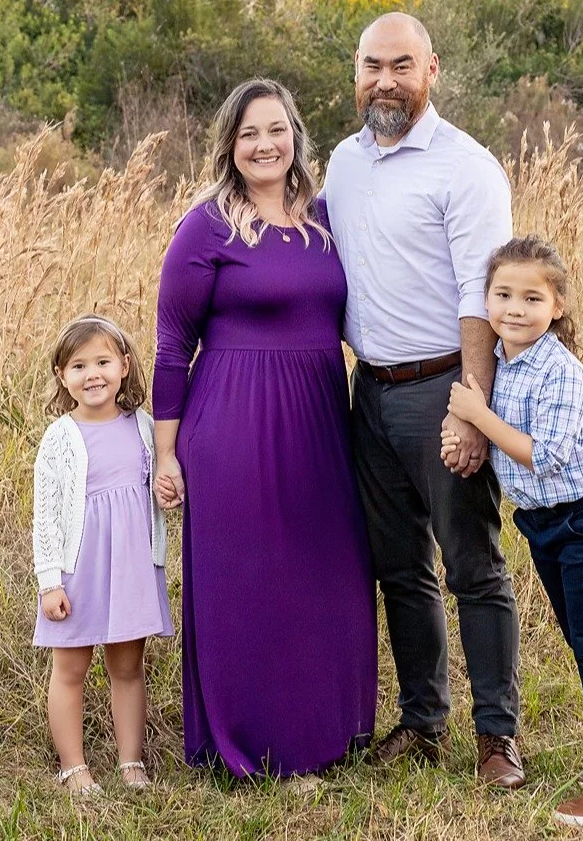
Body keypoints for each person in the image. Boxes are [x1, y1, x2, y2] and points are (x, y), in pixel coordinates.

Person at [151, 78, 377, 778]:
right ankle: (245, 743)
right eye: (248, 133)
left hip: (318, 419)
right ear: (229, 144)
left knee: (322, 573)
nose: (263, 144)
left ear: (294, 136)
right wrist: (166, 453)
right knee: (247, 583)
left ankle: (320, 735)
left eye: (275, 129)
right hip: (232, 426)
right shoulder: (206, 225)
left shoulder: (326, 218)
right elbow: (168, 343)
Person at [323, 12, 523, 787]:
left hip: (442, 385)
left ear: (431, 69)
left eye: (400, 65)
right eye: (371, 64)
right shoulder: (342, 163)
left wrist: (470, 407)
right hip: (366, 390)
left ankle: (496, 739)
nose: (384, 80)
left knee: (472, 566)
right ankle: (422, 721)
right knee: (399, 568)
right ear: (355, 70)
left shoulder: (463, 167)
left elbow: (484, 300)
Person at [443, 235, 583, 827]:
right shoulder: (503, 361)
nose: (514, 308)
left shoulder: (557, 368)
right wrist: (466, 428)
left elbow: (547, 455)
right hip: (544, 525)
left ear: (556, 306)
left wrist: (481, 418)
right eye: (502, 295)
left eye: (532, 297)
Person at [32, 314, 172, 795]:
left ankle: (131, 763)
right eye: (78, 365)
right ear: (62, 376)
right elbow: (46, 515)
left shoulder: (144, 428)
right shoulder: (61, 437)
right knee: (70, 669)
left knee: (128, 668)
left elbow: (155, 490)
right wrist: (50, 582)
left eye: (103, 362)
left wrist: (169, 492)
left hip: (130, 567)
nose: (92, 374)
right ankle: (74, 767)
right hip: (79, 571)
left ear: (125, 367)